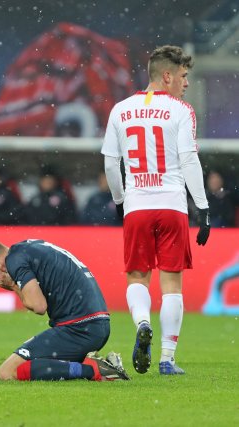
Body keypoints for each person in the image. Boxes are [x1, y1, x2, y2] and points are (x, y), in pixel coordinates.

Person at [101, 45, 211, 376]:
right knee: (172, 282)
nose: (186, 83)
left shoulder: (121, 109)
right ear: (167, 76)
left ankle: (142, 324)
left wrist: (121, 201)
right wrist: (202, 207)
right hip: (172, 205)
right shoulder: (181, 111)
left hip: (137, 205)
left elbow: (110, 162)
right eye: (183, 76)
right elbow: (189, 160)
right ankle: (166, 358)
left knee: (137, 275)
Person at [0, 237, 130, 382]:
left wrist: (12, 285)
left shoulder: (14, 260)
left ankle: (99, 371)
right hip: (96, 324)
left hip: (79, 329)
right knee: (36, 364)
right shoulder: (28, 248)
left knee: (8, 371)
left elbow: (38, 306)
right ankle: (97, 367)